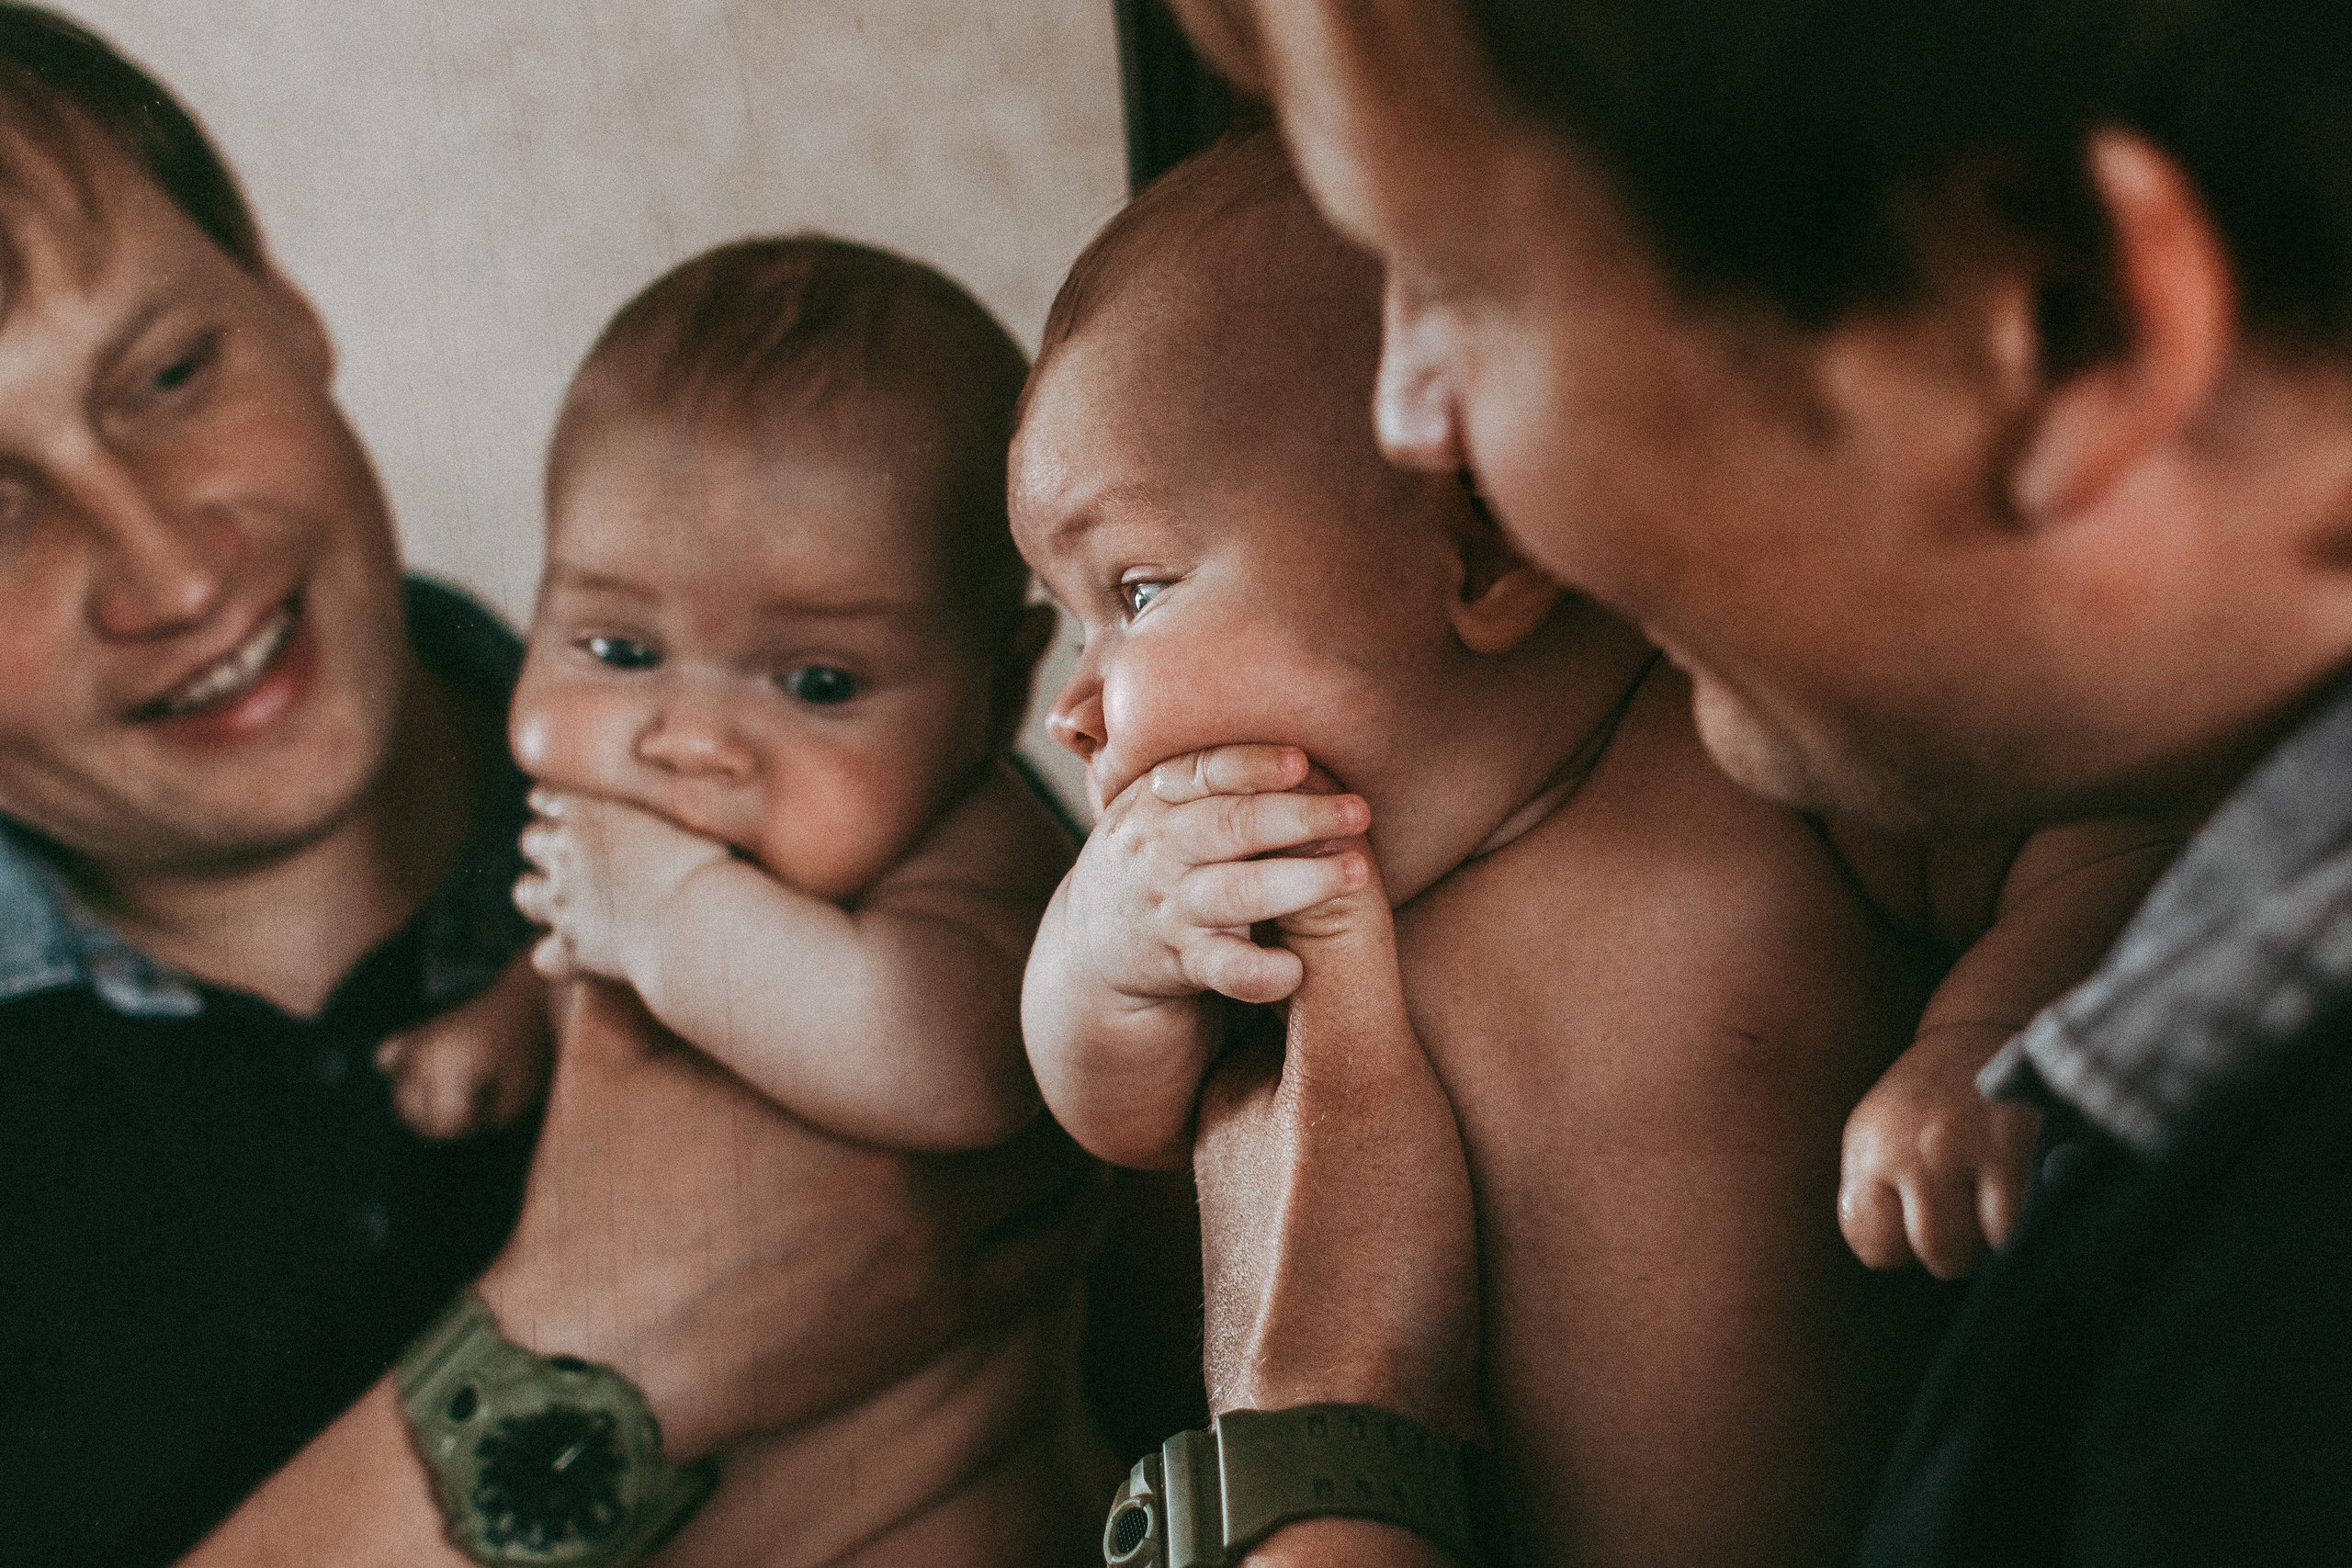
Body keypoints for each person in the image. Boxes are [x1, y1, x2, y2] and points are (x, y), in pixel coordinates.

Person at [1132, 1, 2352, 1563]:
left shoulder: (2256, 1375)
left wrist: (1314, 1420)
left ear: (2062, 335)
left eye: (1460, 289)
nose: (1405, 423)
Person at [0, 9, 1099, 1567]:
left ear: (289, 307)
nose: (171, 570)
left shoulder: (855, 782)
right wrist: (597, 1337)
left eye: (173, 373)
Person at [492, 235, 1108, 1562]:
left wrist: (663, 917)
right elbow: (574, 942)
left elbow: (954, 1061)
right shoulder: (636, 853)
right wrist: (503, 1018)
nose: (688, 739)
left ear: (996, 694)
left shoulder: (977, 858)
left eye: (818, 683)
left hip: (945, 1517)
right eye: (616, 649)